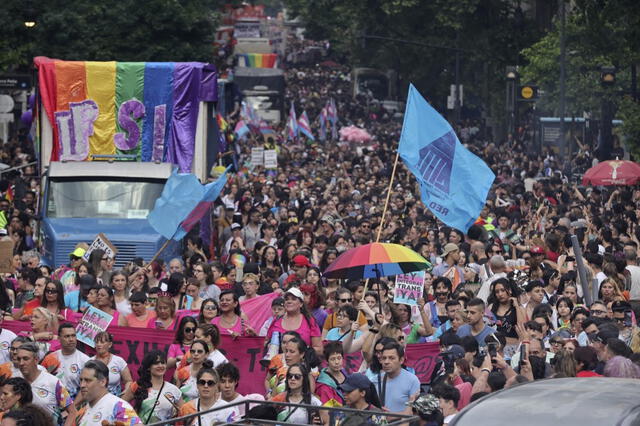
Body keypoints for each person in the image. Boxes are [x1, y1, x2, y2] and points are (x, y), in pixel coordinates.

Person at [15, 342, 76, 425]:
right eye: (19, 359)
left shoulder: (53, 382)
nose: (21, 363)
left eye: (25, 359)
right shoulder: (14, 382)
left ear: (36, 360)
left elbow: (72, 412)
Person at [121, 350, 183, 424]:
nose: (160, 365)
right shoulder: (137, 386)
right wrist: (133, 422)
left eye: (163, 363)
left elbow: (185, 414)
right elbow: (120, 406)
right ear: (148, 367)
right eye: (156, 363)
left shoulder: (174, 390)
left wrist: (177, 413)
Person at [75, 360, 142, 426]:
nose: (82, 385)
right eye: (81, 380)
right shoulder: (82, 411)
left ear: (103, 382)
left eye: (88, 380)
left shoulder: (118, 406)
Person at [266, 287, 322, 355]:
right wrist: (270, 346)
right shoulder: (276, 320)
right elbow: (266, 342)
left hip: (303, 364)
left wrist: (300, 351)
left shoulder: (309, 321)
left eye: (293, 299)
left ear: (301, 304)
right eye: (286, 299)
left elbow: (319, 349)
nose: (289, 301)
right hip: (279, 364)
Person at [41, 324, 89, 399]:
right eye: (67, 336)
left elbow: (88, 389)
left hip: (76, 404)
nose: (71, 339)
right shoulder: (50, 358)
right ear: (59, 338)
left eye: (73, 336)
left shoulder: (85, 361)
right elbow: (42, 381)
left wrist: (72, 408)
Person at [374, 341, 420, 415]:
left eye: (391, 358)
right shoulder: (375, 380)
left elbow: (416, 412)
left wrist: (391, 417)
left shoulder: (412, 381)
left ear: (401, 360)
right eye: (384, 358)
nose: (386, 362)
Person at [89, 332, 132, 397]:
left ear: (110, 344)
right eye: (96, 342)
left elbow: (128, 381)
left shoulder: (118, 361)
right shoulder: (89, 362)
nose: (98, 344)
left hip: (115, 401)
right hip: (94, 401)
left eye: (102, 342)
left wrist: (126, 391)